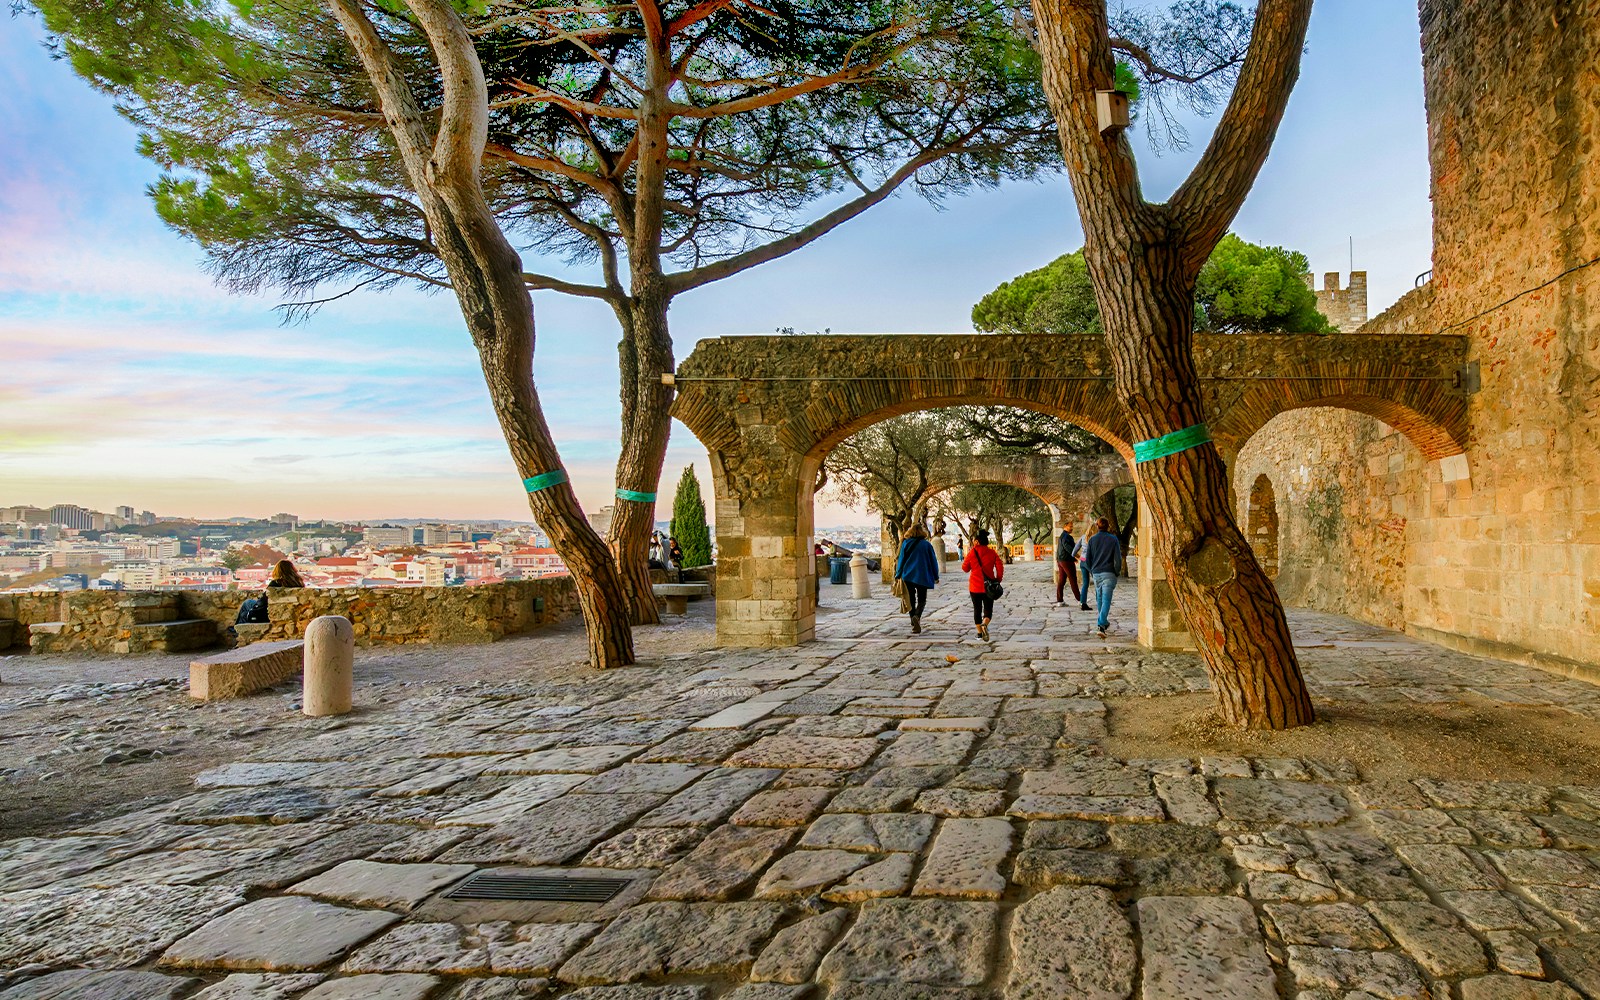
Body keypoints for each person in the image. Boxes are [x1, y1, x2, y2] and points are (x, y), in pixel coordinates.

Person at [894, 523, 939, 634]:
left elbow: (901, 560)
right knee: (922, 599)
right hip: (922, 575)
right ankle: (917, 616)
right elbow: (934, 561)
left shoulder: (906, 543)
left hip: (908, 575)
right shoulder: (927, 545)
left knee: (911, 600)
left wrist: (897, 574)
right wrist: (936, 576)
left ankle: (913, 621)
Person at [961, 527, 1004, 641]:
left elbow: (965, 568)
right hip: (988, 587)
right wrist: (997, 579)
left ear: (977, 541)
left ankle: (980, 633)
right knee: (988, 609)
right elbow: (999, 566)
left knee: (977, 609)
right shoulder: (992, 552)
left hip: (975, 587)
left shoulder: (972, 553)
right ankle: (985, 623)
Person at [1083, 516, 1124, 636]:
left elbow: (1087, 559)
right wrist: (1117, 571)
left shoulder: (1092, 540)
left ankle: (1103, 622)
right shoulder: (1113, 539)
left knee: (1099, 598)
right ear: (1108, 526)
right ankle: (1101, 624)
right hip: (1109, 573)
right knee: (1106, 599)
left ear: (1097, 526)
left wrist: (1092, 570)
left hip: (1096, 573)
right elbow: (1118, 558)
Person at [1054, 522, 1081, 606]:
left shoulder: (1062, 536)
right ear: (1065, 526)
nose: (1072, 528)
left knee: (1061, 581)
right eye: (1070, 526)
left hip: (1061, 561)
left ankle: (1060, 601)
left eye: (1072, 526)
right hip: (1066, 561)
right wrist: (1079, 557)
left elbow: (1064, 549)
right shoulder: (1066, 537)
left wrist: (1073, 558)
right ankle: (1080, 600)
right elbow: (1068, 549)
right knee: (1073, 579)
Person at [1072, 521, 1095, 611]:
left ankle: (1083, 603)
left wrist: (1080, 558)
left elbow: (1073, 552)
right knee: (1097, 582)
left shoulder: (1083, 538)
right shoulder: (1094, 539)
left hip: (1082, 562)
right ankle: (1100, 602)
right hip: (1091, 562)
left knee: (1085, 583)